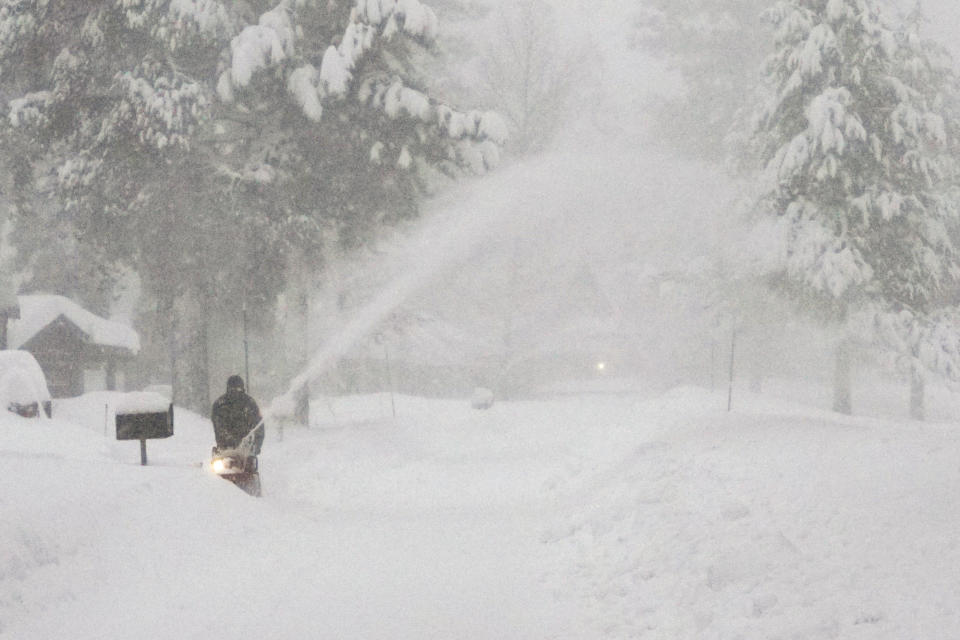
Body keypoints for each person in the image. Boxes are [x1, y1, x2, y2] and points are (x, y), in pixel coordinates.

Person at [211, 375, 264, 455]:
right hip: (225, 450)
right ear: (228, 389)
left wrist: (255, 446)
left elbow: (259, 426)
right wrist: (229, 441)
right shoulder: (219, 405)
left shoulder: (250, 404)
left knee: (250, 466)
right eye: (232, 389)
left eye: (238, 389)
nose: (235, 392)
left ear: (242, 388)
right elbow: (218, 427)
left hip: (245, 451)